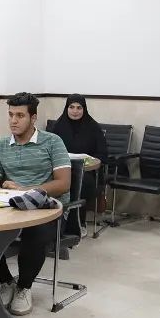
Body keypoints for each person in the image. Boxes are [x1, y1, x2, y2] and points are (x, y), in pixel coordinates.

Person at [0, 92, 71, 316]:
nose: (13, 121)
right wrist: (6, 193)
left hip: (47, 209)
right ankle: (6, 281)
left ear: (33, 118)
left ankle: (24, 287)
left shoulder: (53, 142)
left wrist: (26, 191)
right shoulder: (2, 145)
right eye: (11, 115)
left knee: (35, 232)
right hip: (13, 207)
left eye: (20, 115)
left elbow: (63, 183)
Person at [48, 94, 108, 237]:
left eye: (79, 108)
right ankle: (54, 223)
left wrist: (90, 159)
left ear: (84, 109)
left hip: (88, 172)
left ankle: (78, 223)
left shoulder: (93, 127)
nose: (75, 111)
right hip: (61, 170)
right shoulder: (58, 126)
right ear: (66, 108)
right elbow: (49, 151)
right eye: (71, 107)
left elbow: (103, 154)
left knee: (80, 183)